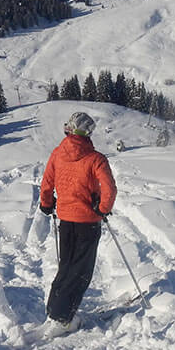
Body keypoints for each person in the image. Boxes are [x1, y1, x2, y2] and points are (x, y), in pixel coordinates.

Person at [39, 111, 117, 336]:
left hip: (66, 219)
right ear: (88, 132)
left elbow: (47, 182)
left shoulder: (57, 153)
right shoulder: (96, 159)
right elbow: (109, 189)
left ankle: (55, 310)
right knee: (81, 270)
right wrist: (102, 209)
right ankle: (63, 319)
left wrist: (46, 203)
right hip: (88, 221)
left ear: (69, 129)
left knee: (66, 265)